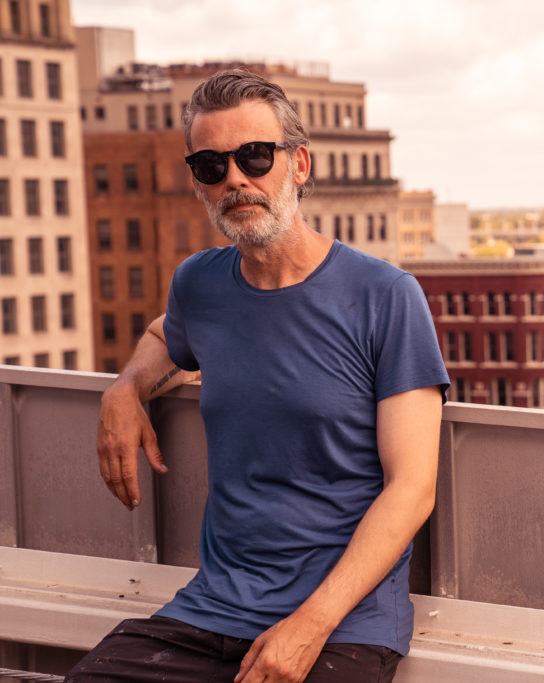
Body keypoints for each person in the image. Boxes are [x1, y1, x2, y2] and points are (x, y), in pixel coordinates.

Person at [67, 69, 449, 683]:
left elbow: (412, 489)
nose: (236, 179)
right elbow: (165, 336)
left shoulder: (386, 296)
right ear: (197, 182)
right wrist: (126, 387)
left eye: (254, 156)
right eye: (212, 166)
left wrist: (309, 625)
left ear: (298, 164)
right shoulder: (201, 283)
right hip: (212, 610)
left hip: (342, 624)